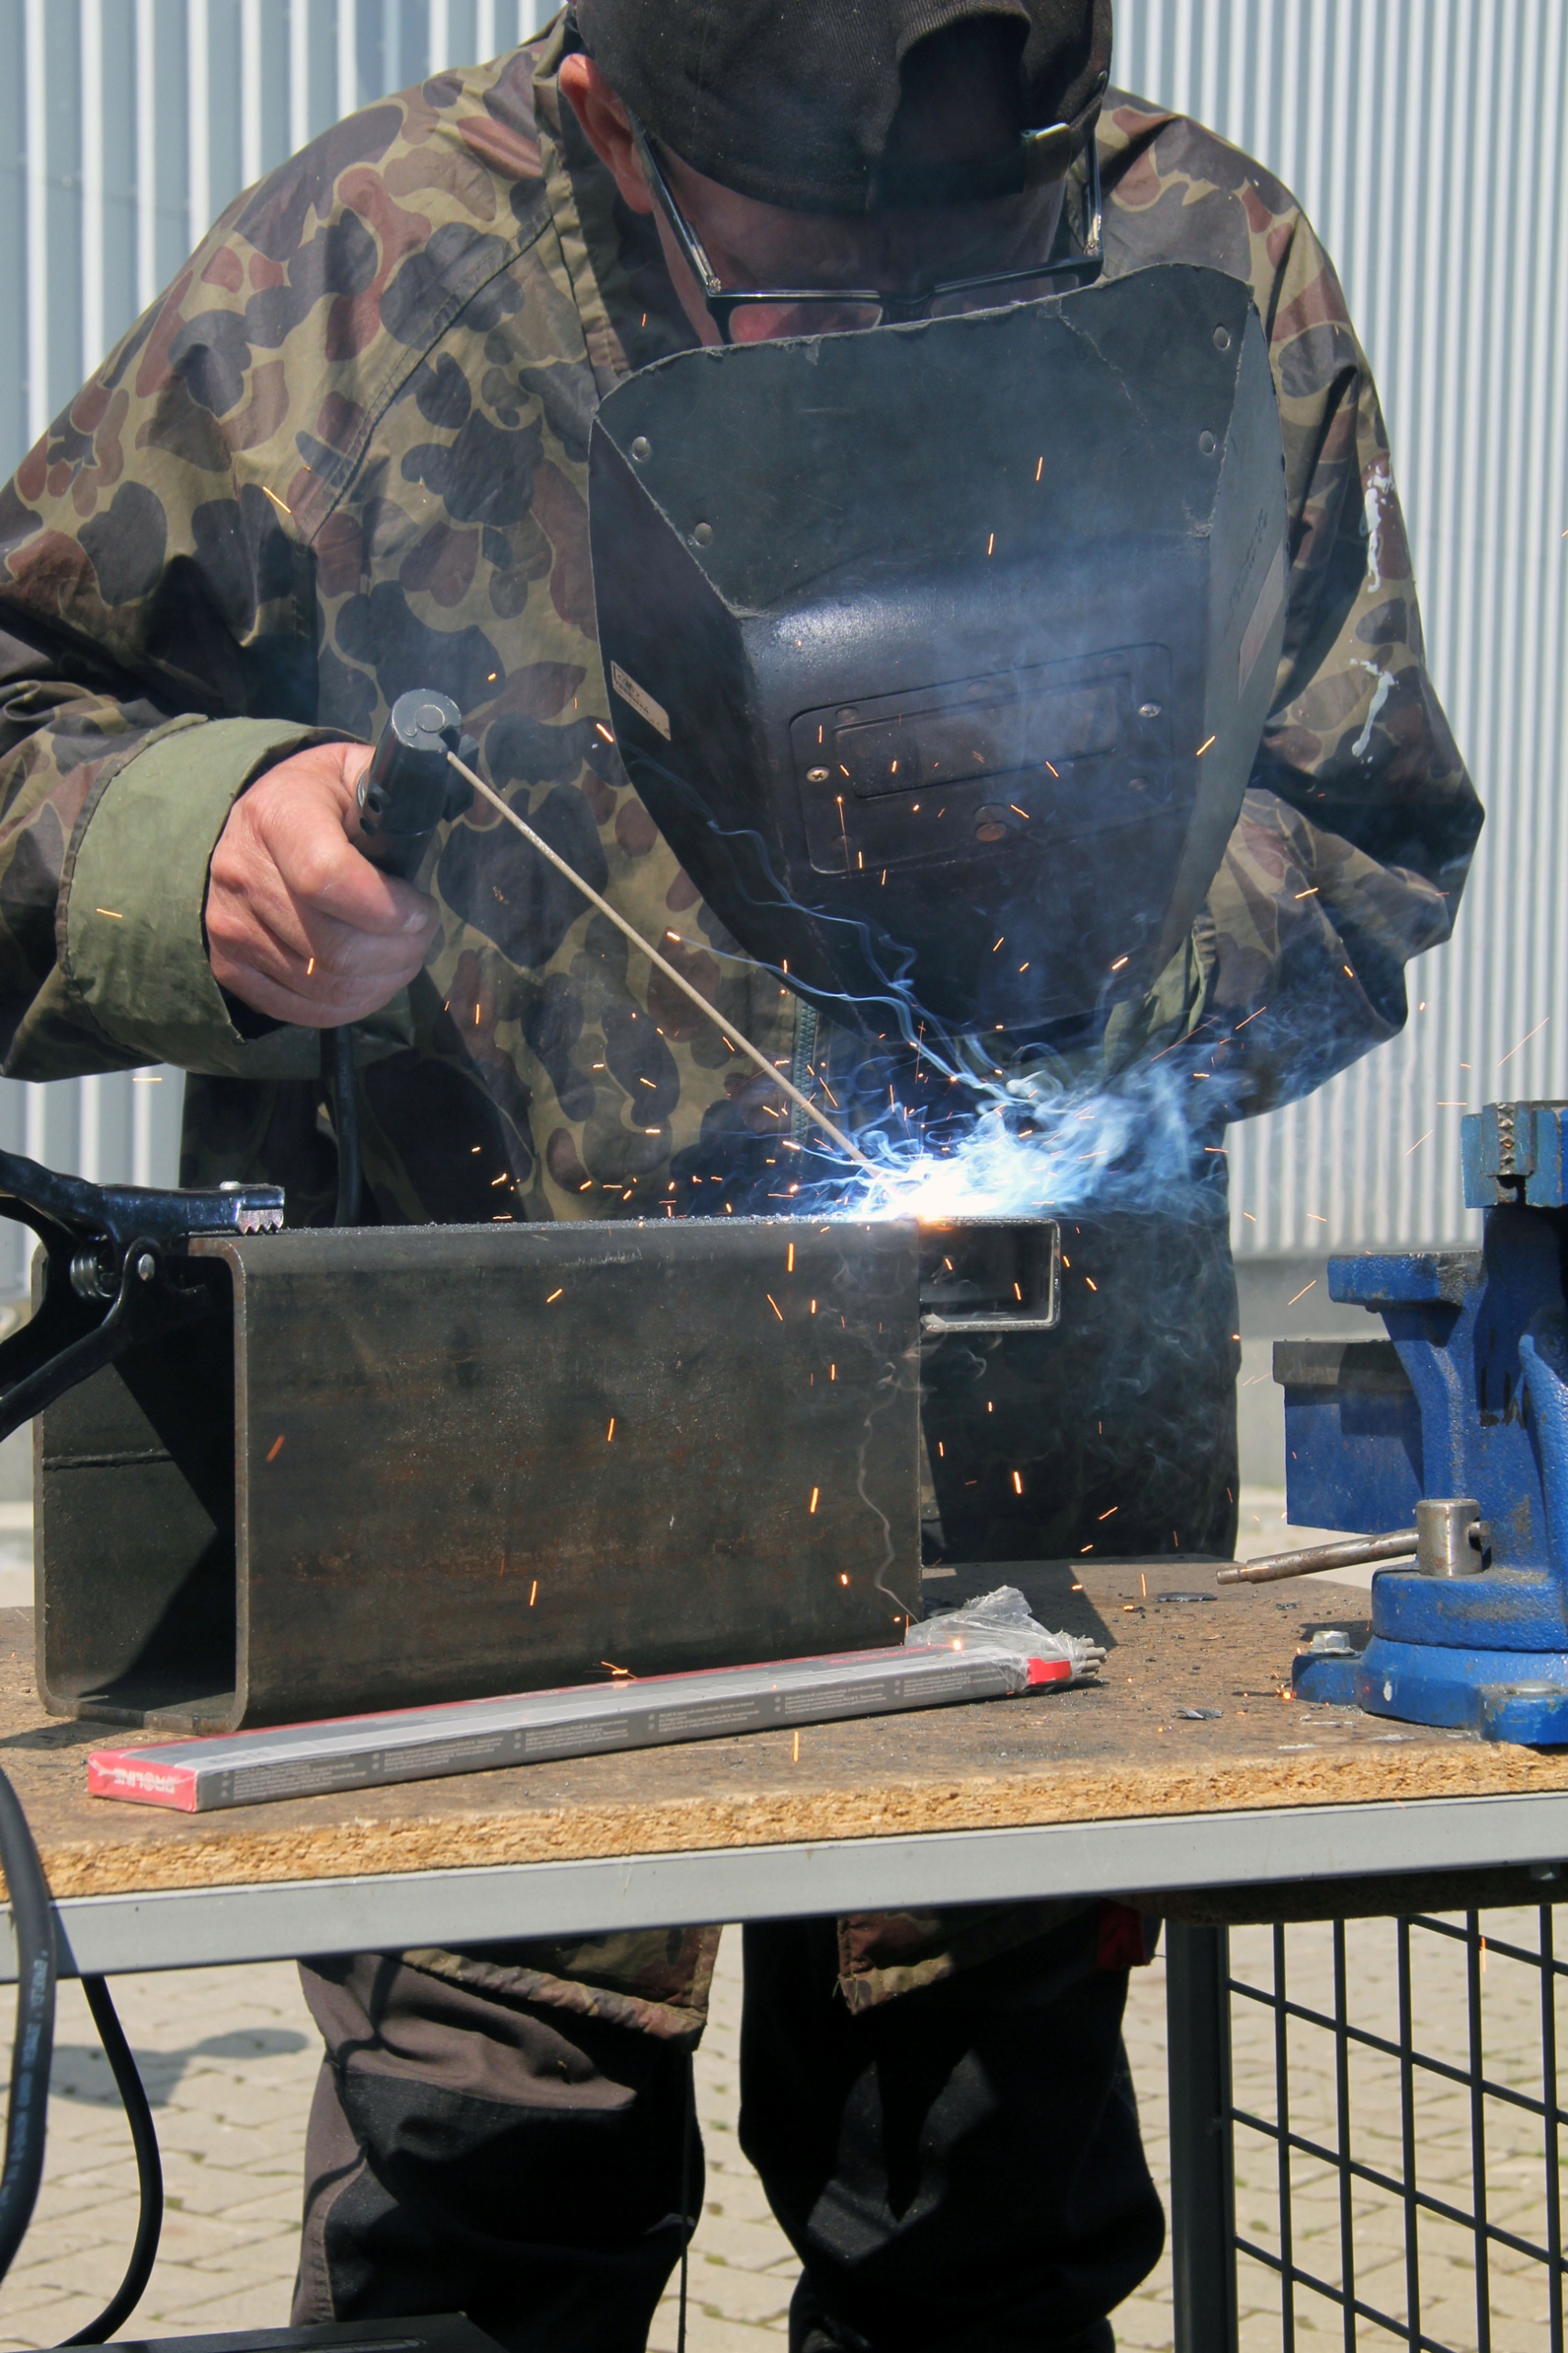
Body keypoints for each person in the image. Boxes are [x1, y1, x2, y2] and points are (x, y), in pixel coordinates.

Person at [0, 4, 1478, 2347]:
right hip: (486, 1493)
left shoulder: (1191, 262)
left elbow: (1368, 818)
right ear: (612, 116)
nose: (873, 328)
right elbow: (23, 706)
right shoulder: (368, 267)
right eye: (796, 271)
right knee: (488, 2219)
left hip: (1006, 1484)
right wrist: (194, 844)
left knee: (979, 2230)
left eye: (957, 264)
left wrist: (1125, 968)